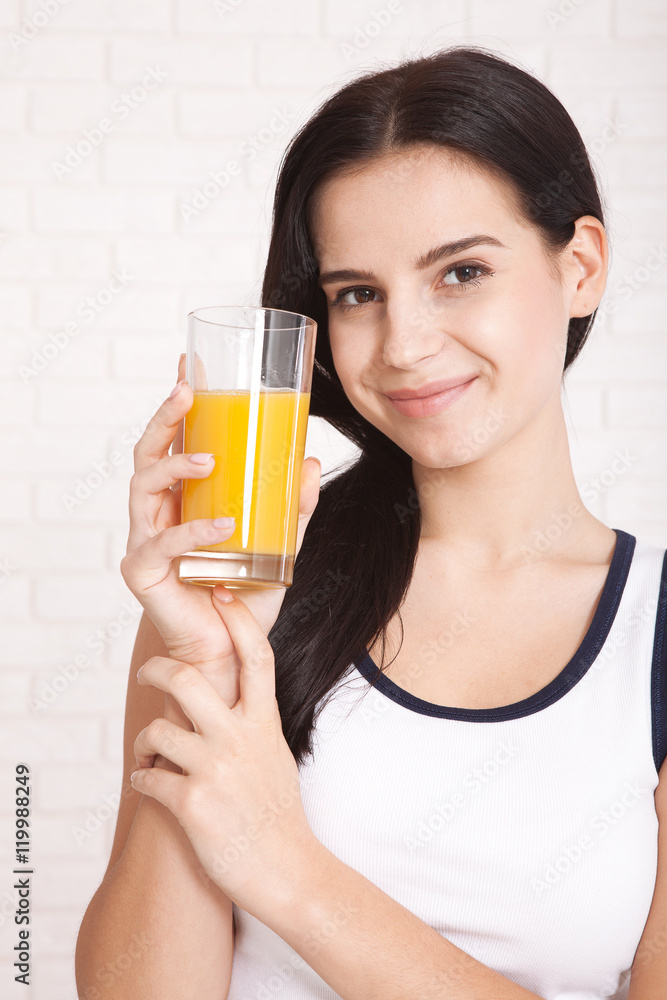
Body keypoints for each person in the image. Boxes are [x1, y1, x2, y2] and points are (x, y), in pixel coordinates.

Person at [75, 45, 667, 999]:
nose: (404, 344)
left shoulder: (652, 636)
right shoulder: (245, 586)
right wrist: (209, 666)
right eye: (356, 294)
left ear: (581, 267)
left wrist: (289, 870)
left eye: (461, 271)